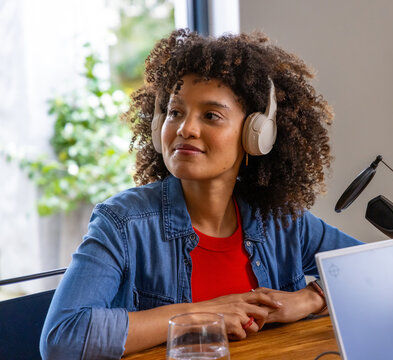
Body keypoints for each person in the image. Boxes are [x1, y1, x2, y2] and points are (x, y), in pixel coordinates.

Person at [40, 28, 362, 359]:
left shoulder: (281, 221)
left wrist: (311, 298)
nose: (185, 129)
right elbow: (63, 338)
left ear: (256, 134)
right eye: (175, 112)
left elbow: (372, 273)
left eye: (211, 115)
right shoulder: (123, 223)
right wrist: (202, 315)